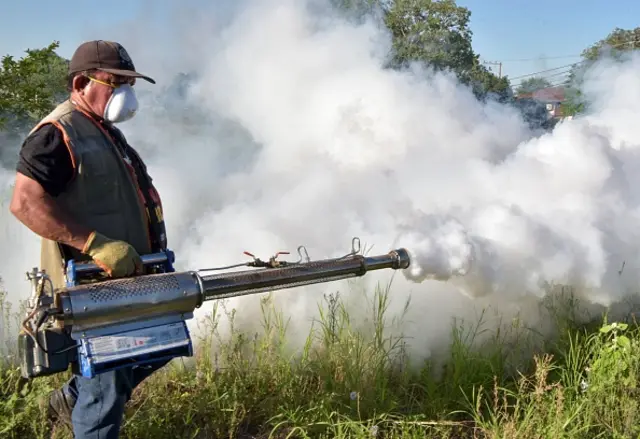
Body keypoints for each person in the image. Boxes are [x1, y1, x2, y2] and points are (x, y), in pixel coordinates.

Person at [9, 40, 169, 438]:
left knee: (156, 347)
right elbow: (25, 203)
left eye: (129, 84)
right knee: (106, 391)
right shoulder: (57, 132)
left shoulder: (102, 129)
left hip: (130, 279)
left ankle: (69, 399)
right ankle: (85, 407)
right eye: (116, 82)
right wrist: (96, 244)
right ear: (82, 82)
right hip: (94, 287)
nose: (125, 94)